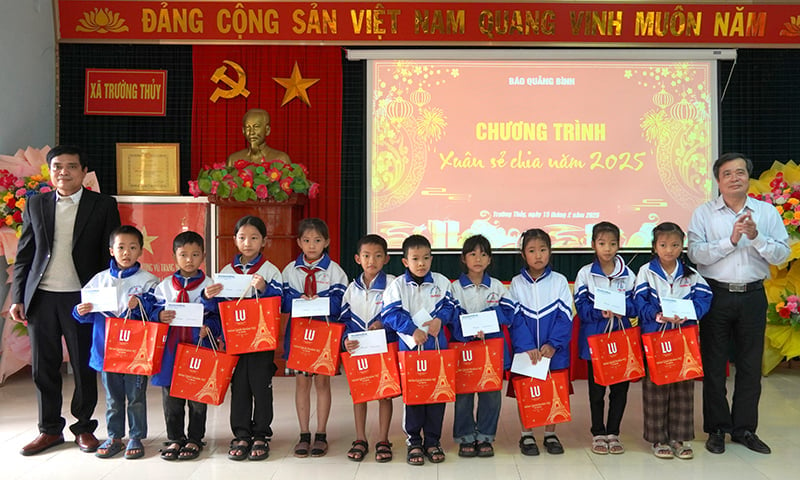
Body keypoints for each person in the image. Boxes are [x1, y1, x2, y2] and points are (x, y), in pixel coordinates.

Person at [11, 145, 121, 456]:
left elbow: (110, 255)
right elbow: (25, 255)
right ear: (50, 171)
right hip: (42, 298)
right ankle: (49, 430)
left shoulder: (102, 205)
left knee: (84, 367)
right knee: (43, 368)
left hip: (82, 299)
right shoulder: (36, 204)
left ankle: (84, 428)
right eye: (57, 166)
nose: (64, 172)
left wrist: (106, 298)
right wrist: (19, 295)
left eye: (71, 166)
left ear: (84, 172)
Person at [688, 152, 789, 455]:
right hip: (715, 294)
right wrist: (730, 241)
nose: (735, 178)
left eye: (741, 172)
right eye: (728, 174)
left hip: (753, 295)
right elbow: (695, 255)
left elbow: (782, 255)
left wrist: (757, 238)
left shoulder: (766, 213)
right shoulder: (703, 213)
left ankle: (745, 429)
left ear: (748, 177)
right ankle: (717, 428)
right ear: (718, 181)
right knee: (715, 367)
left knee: (749, 366)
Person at [72, 225, 160, 459]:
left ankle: (136, 436)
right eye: (120, 247)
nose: (126, 252)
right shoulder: (99, 281)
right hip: (107, 350)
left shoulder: (149, 281)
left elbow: (157, 312)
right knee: (112, 398)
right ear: (111, 250)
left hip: (136, 352)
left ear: (141, 250)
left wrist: (141, 304)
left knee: (136, 397)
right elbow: (85, 314)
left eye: (132, 247)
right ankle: (114, 436)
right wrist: (80, 311)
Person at [204, 216, 283, 461]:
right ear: (235, 240)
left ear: (264, 241)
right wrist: (209, 296)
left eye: (254, 238)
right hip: (235, 340)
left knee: (261, 385)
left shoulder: (270, 270)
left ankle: (261, 433)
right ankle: (241, 433)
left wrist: (265, 288)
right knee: (238, 387)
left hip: (261, 339)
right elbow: (218, 308)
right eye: (242, 237)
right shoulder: (227, 272)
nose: (247, 243)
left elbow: (281, 300)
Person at [634, 222, 713, 460]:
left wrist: (689, 313)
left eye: (675, 245)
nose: (669, 250)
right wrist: (657, 315)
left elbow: (705, 298)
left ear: (682, 247)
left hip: (683, 338)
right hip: (655, 337)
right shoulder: (646, 272)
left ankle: (679, 437)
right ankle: (658, 438)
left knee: (683, 388)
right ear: (654, 247)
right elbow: (639, 301)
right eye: (663, 245)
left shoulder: (691, 274)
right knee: (656, 387)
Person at [144, 231, 221, 461]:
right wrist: (159, 314)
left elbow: (218, 316)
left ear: (203, 256)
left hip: (199, 347)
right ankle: (175, 437)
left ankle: (195, 438)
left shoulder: (211, 286)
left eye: (195, 254)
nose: (189, 259)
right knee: (172, 397)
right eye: (184, 254)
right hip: (172, 350)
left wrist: (210, 327)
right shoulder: (165, 286)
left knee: (197, 394)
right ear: (174, 256)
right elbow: (150, 311)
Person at [382, 234, 458, 466]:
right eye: (415, 258)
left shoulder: (442, 282)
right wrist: (412, 329)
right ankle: (414, 440)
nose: (421, 263)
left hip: (437, 350)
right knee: (414, 396)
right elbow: (390, 314)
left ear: (431, 259)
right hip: (410, 351)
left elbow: (451, 306)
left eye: (426, 258)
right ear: (405, 262)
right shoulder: (397, 286)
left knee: (437, 394)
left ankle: (433, 440)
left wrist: (440, 319)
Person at [281, 218, 348, 458]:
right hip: (299, 334)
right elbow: (283, 302)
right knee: (301, 383)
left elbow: (341, 303)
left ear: (326, 242)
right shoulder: (290, 270)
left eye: (317, 240)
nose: (312, 246)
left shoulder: (335, 271)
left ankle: (321, 433)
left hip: (324, 332)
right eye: (307, 240)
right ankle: (303, 433)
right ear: (299, 242)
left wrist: (319, 303)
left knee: (322, 383)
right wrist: (299, 299)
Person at [448, 234, 518, 459]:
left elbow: (508, 312)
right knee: (464, 395)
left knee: (491, 395)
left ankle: (486, 436)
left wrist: (485, 320)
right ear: (463, 258)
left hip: (491, 349)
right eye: (473, 254)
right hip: (464, 349)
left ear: (490, 260)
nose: (478, 258)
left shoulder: (497, 286)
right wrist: (468, 330)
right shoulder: (455, 288)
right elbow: (451, 316)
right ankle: (465, 437)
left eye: (484, 254)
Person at [574, 221, 637, 455]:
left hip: (621, 339)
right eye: (602, 243)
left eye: (612, 244)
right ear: (593, 245)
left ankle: (614, 432)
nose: (607, 248)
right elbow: (581, 307)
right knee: (597, 389)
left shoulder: (629, 274)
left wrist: (624, 308)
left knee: (620, 389)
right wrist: (600, 312)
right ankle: (598, 432)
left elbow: (636, 304)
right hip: (595, 340)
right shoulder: (585, 274)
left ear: (619, 245)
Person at [508, 229, 573, 456]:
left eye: (543, 250)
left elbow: (565, 317)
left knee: (553, 389)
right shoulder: (516, 283)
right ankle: (526, 434)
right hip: (527, 352)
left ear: (550, 252)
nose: (538, 255)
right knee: (526, 390)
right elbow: (514, 319)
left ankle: (550, 433)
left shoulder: (559, 281)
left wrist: (553, 344)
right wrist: (526, 346)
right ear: (523, 254)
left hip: (552, 351)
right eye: (532, 250)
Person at [340, 234, 396, 463]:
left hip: (384, 346)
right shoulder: (351, 289)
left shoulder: (393, 284)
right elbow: (342, 321)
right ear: (357, 258)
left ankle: (383, 439)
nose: (371, 260)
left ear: (386, 259)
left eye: (377, 255)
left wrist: (384, 323)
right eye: (366, 255)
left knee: (385, 394)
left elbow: (399, 314)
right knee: (359, 394)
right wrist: (345, 340)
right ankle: (360, 438)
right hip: (358, 349)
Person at [226, 108, 290, 167]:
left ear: (267, 130)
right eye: (248, 127)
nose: (251, 132)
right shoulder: (233, 159)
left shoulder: (281, 159)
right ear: (243, 131)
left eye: (256, 127)